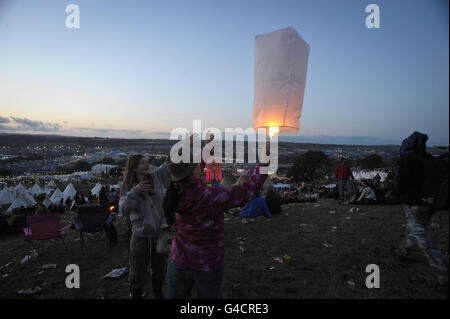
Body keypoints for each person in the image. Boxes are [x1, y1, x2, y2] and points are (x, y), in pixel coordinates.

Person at [163, 144, 269, 299]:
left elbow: (189, 170)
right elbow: (250, 190)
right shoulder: (211, 197)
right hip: (207, 264)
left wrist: (207, 149)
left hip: (178, 260)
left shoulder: (173, 193)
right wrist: (264, 161)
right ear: (195, 170)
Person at [397, 131, 448, 286]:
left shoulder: (407, 161)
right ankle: (405, 251)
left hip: (415, 203)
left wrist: (399, 194)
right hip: (431, 204)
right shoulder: (430, 160)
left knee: (421, 234)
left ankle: (443, 270)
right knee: (417, 228)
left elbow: (400, 186)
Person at [119, 152, 172, 299]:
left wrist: (185, 145)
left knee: (159, 269)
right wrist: (135, 191)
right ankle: (135, 294)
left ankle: (158, 293)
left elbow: (169, 164)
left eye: (146, 161)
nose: (146, 164)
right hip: (141, 236)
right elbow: (123, 211)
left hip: (158, 234)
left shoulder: (156, 176)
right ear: (134, 168)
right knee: (137, 270)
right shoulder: (129, 187)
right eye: (142, 162)